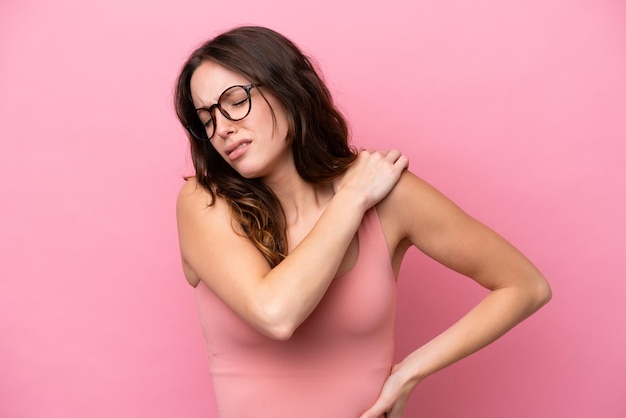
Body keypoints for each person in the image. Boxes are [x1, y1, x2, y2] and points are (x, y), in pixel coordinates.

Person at [173, 26, 551, 418]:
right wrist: (352, 200)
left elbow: (527, 286)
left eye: (235, 101)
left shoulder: (389, 196)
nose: (222, 128)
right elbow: (276, 313)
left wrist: (409, 373)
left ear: (286, 88)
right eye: (206, 119)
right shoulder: (204, 202)